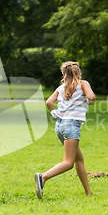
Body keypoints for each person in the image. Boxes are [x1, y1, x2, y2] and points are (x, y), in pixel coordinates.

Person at [34, 61, 95, 199]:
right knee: (68, 163)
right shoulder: (83, 84)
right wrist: (90, 100)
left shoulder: (60, 88)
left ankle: (88, 192)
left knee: (78, 160)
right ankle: (43, 177)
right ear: (79, 73)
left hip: (60, 127)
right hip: (72, 126)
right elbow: (91, 97)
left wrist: (54, 113)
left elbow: (49, 102)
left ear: (63, 74)